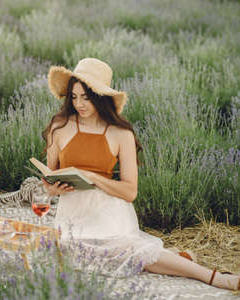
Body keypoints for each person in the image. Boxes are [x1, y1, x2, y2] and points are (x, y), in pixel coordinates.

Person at [41, 58, 239, 291]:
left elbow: (129, 191)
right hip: (71, 213)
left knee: (123, 252)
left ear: (100, 97)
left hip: (107, 209)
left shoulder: (120, 133)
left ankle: (212, 276)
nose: (79, 104)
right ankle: (175, 258)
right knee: (76, 257)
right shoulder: (59, 126)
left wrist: (93, 178)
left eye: (86, 97)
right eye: (73, 97)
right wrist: (52, 189)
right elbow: (49, 177)